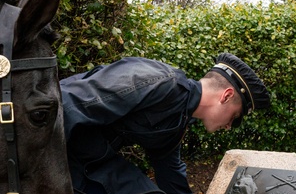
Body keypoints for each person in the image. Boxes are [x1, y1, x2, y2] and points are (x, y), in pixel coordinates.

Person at [60, 53, 270, 194]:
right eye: (234, 118)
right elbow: (68, 105)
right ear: (226, 96)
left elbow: (170, 174)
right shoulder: (156, 80)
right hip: (55, 147)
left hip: (94, 159)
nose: (228, 127)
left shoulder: (178, 119)